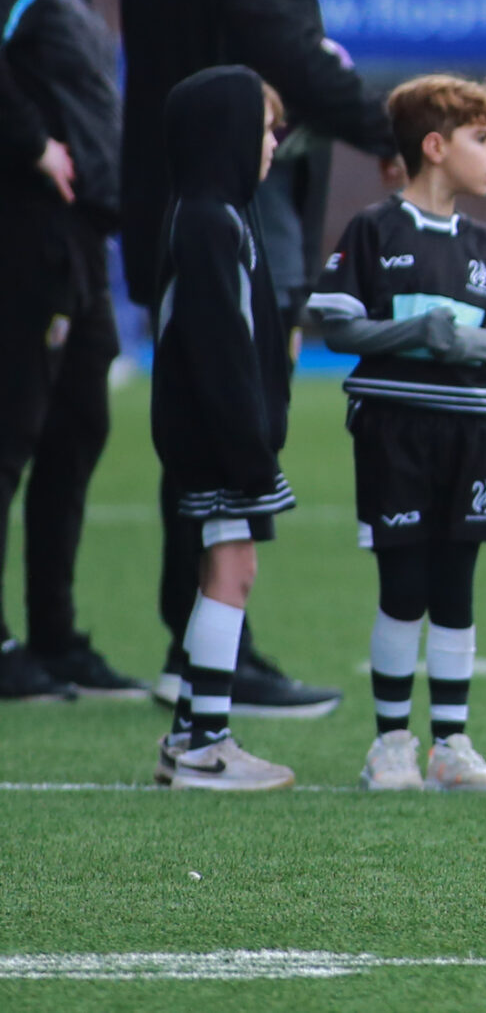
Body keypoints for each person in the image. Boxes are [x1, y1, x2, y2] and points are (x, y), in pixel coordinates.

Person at [121, 0, 396, 717]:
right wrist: (397, 134)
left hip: (162, 209)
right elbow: (295, 66)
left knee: (197, 430)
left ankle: (194, 645)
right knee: (239, 434)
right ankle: (207, 654)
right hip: (239, 229)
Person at [305, 75, 486, 794]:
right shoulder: (373, 230)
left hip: (470, 434)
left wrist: (460, 345)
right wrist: (413, 330)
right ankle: (389, 746)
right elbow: (337, 326)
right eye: (482, 139)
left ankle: (451, 743)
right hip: (394, 432)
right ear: (435, 148)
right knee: (403, 583)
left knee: (457, 585)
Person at [0, 0, 141, 700]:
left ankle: (55, 636)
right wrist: (32, 144)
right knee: (12, 434)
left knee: (76, 430)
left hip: (81, 241)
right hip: (26, 234)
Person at [149, 68, 296, 791]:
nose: (273, 143)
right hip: (216, 445)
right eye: (264, 128)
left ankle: (190, 732)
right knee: (230, 574)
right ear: (227, 133)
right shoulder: (209, 220)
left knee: (230, 571)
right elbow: (218, 348)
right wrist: (249, 450)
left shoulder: (225, 214)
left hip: (224, 441)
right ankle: (207, 742)